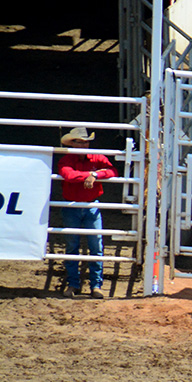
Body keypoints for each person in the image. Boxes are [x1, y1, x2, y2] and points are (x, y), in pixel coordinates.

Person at [55, 126, 118, 299]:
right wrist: (92, 174)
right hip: (76, 205)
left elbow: (113, 171)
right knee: (74, 245)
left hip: (86, 204)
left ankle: (92, 285)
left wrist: (95, 176)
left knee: (94, 246)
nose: (84, 145)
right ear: (73, 143)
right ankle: (77, 284)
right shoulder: (68, 160)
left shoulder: (92, 157)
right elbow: (69, 175)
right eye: (80, 142)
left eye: (86, 142)